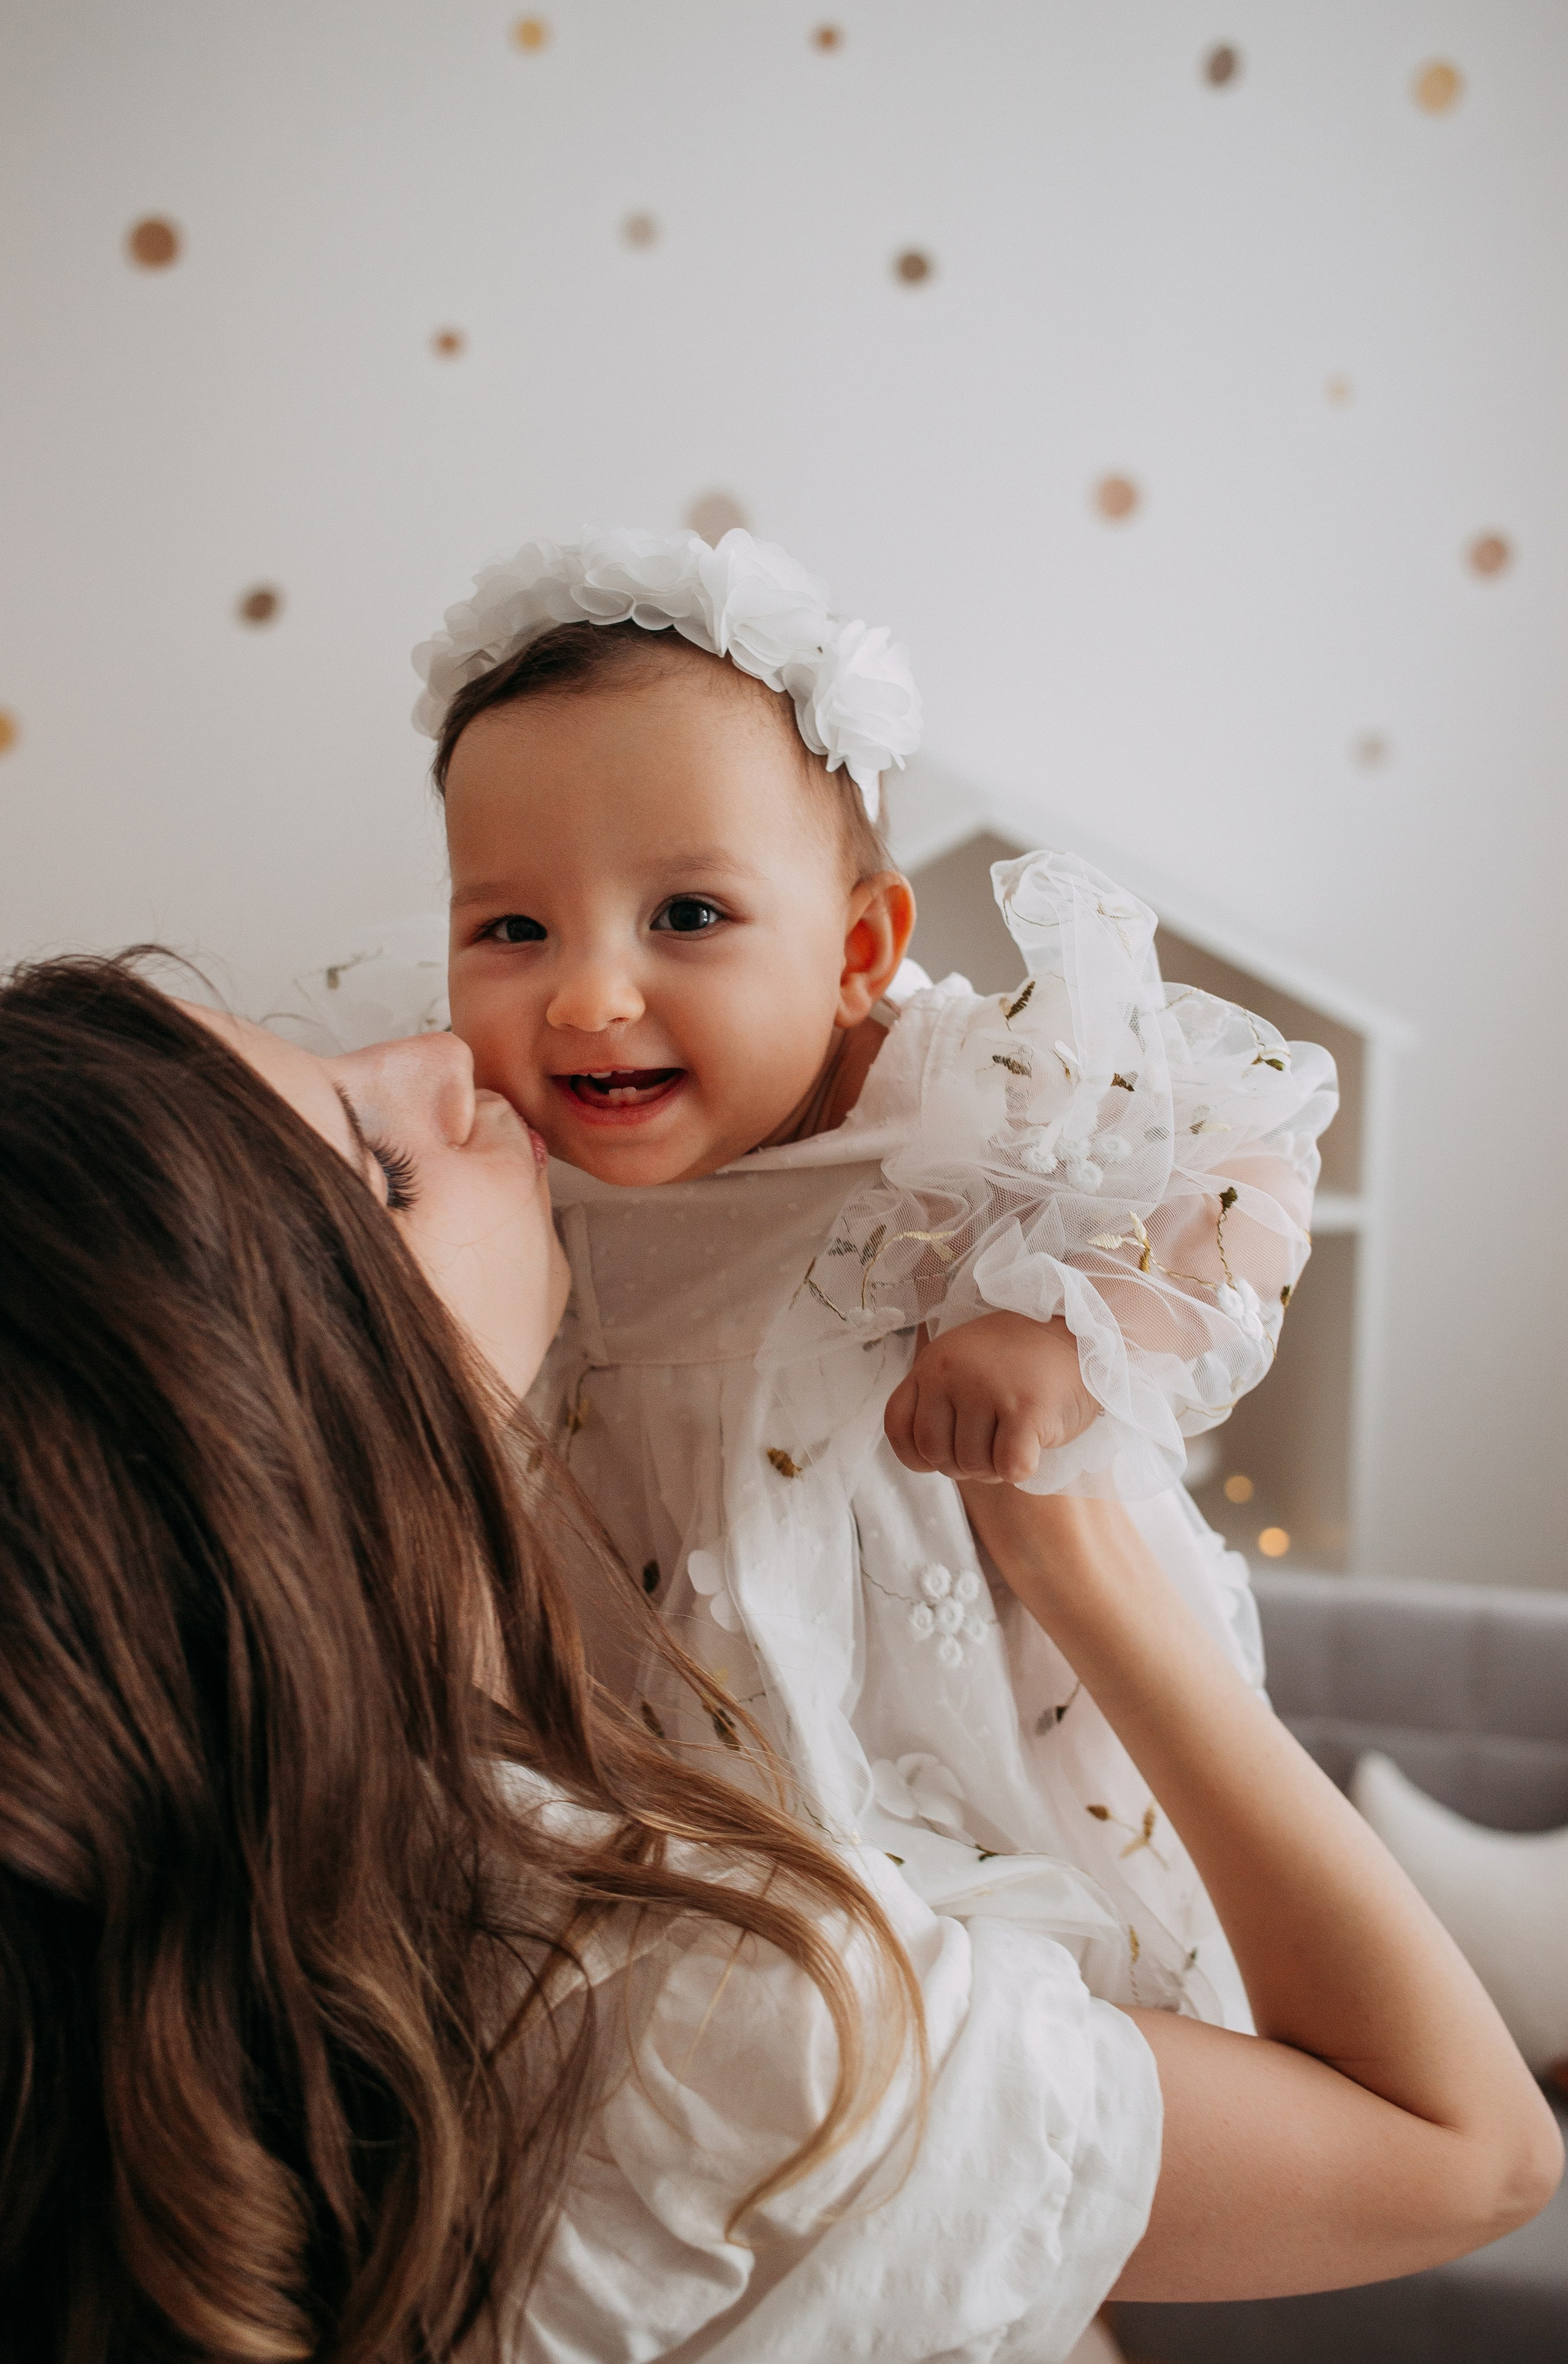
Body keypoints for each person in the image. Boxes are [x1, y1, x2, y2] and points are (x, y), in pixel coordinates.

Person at [0, 953, 1556, 2364]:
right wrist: (1073, 1553)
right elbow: (1468, 2152)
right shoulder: (687, 2015)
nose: (443, 1056)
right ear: (283, 1467)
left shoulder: (143, 1973)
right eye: (384, 1169)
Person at [387, 524, 1338, 2025]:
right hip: (645, 1734)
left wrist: (1073, 1331)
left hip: (973, 1734)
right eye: (512, 927)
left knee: (1032, 2035)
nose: (588, 995)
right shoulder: (483, 1141)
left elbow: (1248, 1156)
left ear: (856, 949)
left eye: (687, 915)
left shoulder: (961, 1093)